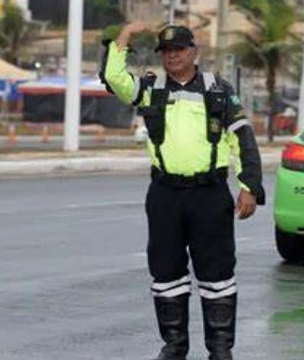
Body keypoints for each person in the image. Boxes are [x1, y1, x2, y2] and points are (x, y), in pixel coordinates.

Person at [100, 21, 265, 360]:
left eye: (179, 50)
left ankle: (220, 349)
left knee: (217, 273)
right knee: (166, 271)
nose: (172, 56)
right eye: (166, 51)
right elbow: (115, 78)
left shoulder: (217, 89)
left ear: (194, 52)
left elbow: (243, 140)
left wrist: (249, 187)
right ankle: (174, 346)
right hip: (165, 194)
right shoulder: (150, 88)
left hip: (209, 194)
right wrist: (127, 34)